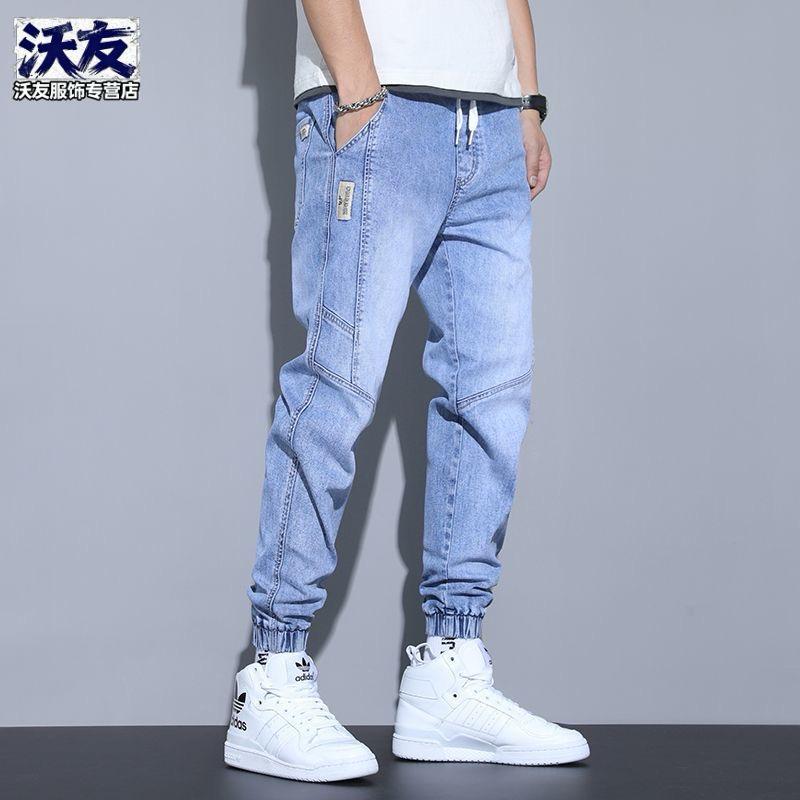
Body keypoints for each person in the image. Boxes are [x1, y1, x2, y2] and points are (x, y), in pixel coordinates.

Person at [224, 0, 588, 782]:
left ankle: (448, 671)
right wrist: (358, 90)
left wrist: (526, 101)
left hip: (492, 121)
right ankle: (272, 677)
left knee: (491, 401)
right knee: (335, 390)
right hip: (382, 107)